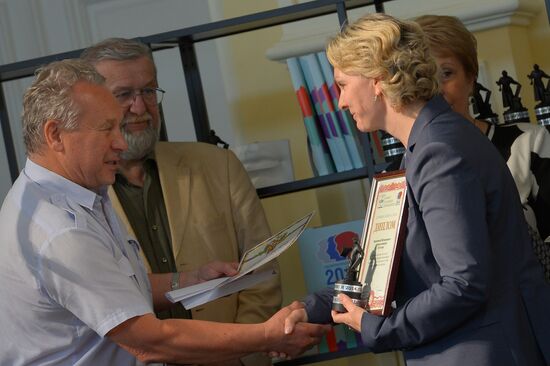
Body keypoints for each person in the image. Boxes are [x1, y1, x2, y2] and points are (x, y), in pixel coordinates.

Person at [0, 58, 328, 365]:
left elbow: (117, 290)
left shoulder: (76, 193)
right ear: (55, 134)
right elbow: (151, 341)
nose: (121, 143)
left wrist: (187, 281)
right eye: (106, 129)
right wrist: (268, 336)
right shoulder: (59, 229)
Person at [282, 13, 550, 366]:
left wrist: (379, 329)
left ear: (376, 80)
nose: (341, 102)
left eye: (343, 85)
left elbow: (463, 284)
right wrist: (312, 307)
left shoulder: (438, 150)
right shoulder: (426, 146)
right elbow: (381, 269)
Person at [81, 38, 281, 366]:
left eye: (149, 91)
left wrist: (243, 357)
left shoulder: (219, 165)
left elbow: (264, 269)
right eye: (123, 95)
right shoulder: (80, 199)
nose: (140, 108)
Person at [416, 14, 550, 281]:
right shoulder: (402, 169)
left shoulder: (529, 143)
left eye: (446, 73)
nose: (436, 89)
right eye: (424, 77)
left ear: (471, 77)